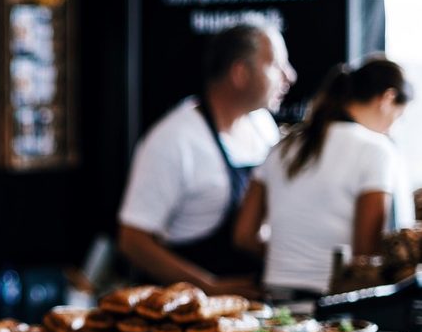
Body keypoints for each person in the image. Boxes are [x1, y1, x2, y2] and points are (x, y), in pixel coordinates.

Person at [118, 20, 296, 297]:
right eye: (276, 65)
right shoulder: (174, 140)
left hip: (253, 305)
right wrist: (208, 287)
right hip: (187, 313)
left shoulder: (262, 125)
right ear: (240, 73)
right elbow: (133, 241)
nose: (290, 76)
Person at [233, 56, 414, 299]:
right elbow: (365, 254)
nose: (393, 127)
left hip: (276, 299)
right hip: (334, 304)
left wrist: (291, 258)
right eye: (398, 117)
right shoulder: (376, 150)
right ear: (388, 99)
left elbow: (243, 236)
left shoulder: (283, 146)